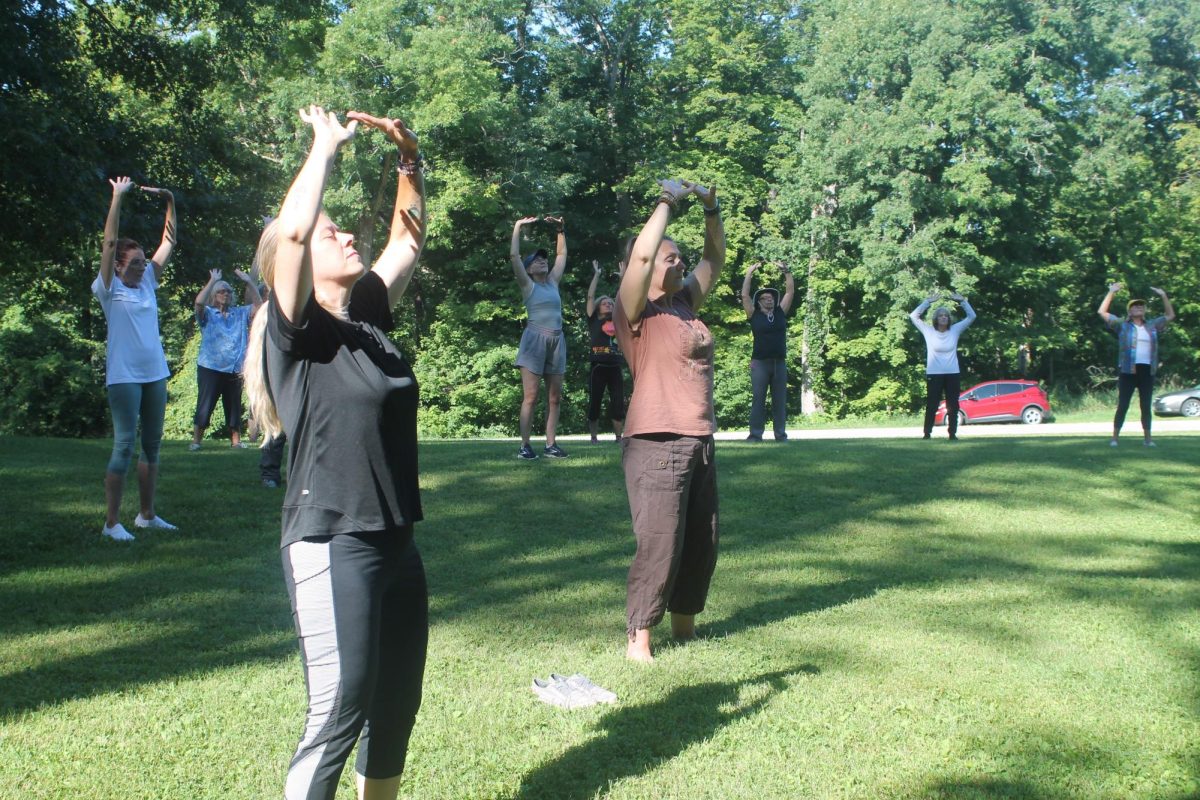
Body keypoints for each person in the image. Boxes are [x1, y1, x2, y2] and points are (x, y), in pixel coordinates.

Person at [242, 105, 428, 800]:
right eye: (333, 232)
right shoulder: (297, 334)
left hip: (396, 541)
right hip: (330, 542)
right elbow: (291, 229)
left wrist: (408, 160)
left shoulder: (368, 320)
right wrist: (324, 147)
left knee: (394, 705)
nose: (346, 233)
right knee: (338, 711)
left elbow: (407, 244)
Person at [615, 178, 724, 662]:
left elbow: (715, 260)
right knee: (659, 542)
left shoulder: (684, 304)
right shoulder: (634, 310)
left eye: (679, 256)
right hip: (656, 441)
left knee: (702, 539)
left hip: (700, 438)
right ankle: (639, 638)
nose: (678, 261)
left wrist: (711, 209)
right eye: (669, 256)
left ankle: (685, 630)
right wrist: (666, 201)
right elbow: (641, 259)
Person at [91, 176, 178, 541]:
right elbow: (109, 243)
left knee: (152, 445)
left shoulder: (147, 283)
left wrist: (171, 200)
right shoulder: (107, 287)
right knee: (124, 444)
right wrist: (117, 197)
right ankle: (111, 523)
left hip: (154, 373)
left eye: (145, 262)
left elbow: (170, 241)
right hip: (124, 376)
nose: (144, 267)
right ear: (120, 263)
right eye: (137, 262)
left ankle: (147, 515)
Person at [510, 215, 569, 459]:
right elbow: (514, 257)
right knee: (531, 397)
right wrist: (517, 227)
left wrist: (560, 230)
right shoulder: (528, 285)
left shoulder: (553, 282)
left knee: (554, 398)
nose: (543, 261)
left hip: (557, 341)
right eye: (537, 260)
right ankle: (525, 446)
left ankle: (550, 445)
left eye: (544, 258)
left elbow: (562, 255)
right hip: (534, 340)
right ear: (528, 269)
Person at [189, 268, 261, 450]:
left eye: (228, 291)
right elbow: (198, 302)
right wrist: (212, 281)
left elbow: (259, 306)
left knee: (234, 405)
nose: (226, 294)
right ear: (214, 295)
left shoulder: (239, 313)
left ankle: (236, 442)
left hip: (234, 368)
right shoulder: (208, 314)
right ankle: (196, 441)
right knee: (205, 404)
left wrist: (249, 282)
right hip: (210, 367)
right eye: (221, 291)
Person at [1097, 283, 1175, 447]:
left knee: (1145, 405)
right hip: (1127, 370)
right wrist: (1111, 292)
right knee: (1123, 404)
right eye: (1135, 306)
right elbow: (1102, 312)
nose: (1139, 307)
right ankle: (1114, 439)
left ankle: (1148, 440)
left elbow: (1170, 315)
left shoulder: (1152, 325)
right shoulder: (1122, 325)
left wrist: (1163, 295)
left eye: (1141, 305)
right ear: (1129, 311)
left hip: (1147, 370)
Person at [740, 262, 795, 441]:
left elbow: (790, 292)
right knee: (758, 400)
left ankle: (781, 435)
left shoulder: (780, 312)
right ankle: (755, 435)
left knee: (779, 401)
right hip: (760, 364)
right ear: (759, 301)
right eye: (765, 297)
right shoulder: (753, 314)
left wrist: (786, 272)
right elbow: (744, 295)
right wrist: (749, 273)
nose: (769, 299)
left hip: (779, 363)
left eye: (771, 297)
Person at [909, 292, 976, 440]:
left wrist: (963, 301)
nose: (944, 317)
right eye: (941, 315)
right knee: (932, 404)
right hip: (934, 373)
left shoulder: (955, 330)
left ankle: (952, 434)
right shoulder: (928, 331)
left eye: (946, 315)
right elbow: (913, 316)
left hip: (953, 373)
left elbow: (972, 317)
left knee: (953, 405)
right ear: (936, 319)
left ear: (949, 319)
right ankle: (927, 433)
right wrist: (927, 302)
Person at [585, 258, 627, 443]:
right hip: (598, 366)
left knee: (618, 402)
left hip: (615, 367)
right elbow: (590, 297)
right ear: (598, 307)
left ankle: (619, 437)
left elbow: (624, 297)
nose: (609, 305)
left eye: (611, 303)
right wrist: (597, 275)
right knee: (595, 401)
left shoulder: (618, 319)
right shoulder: (593, 319)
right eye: (606, 303)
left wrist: (623, 277)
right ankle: (594, 437)